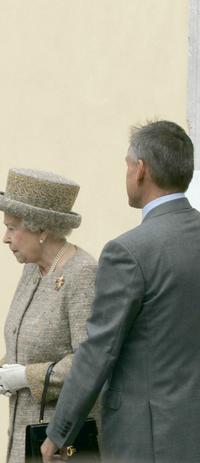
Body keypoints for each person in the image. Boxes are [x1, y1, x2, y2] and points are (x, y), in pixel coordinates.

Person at [41, 120, 200, 462]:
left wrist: (59, 431)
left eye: (127, 165)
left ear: (141, 170)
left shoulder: (128, 251)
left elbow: (100, 349)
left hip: (146, 437)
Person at [0, 168, 98, 462]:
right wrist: (5, 369)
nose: (5, 237)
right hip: (21, 431)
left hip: (59, 440)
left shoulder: (82, 273)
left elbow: (90, 359)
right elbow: (31, 337)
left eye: (12, 227)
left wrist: (26, 376)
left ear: (42, 230)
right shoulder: (32, 268)